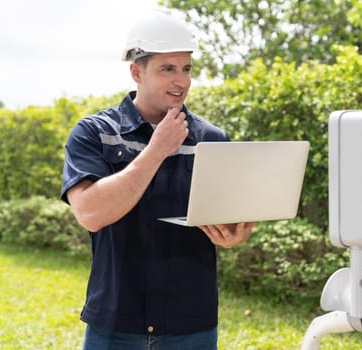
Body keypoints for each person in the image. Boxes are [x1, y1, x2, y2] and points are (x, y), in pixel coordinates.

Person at [61, 8, 254, 350]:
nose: (181, 81)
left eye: (186, 69)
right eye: (167, 69)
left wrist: (233, 235)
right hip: (116, 325)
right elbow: (90, 214)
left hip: (191, 325)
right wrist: (156, 150)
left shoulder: (212, 139)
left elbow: (230, 219)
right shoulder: (94, 133)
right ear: (136, 71)